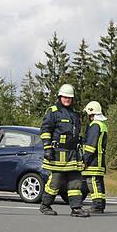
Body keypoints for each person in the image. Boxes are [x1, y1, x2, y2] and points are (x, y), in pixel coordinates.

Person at [40, 83, 89, 217]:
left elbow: (78, 135)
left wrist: (83, 154)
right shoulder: (53, 111)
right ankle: (45, 205)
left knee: (76, 181)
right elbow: (45, 130)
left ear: (73, 99)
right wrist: (47, 148)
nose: (67, 100)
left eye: (69, 98)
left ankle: (76, 208)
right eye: (64, 97)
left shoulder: (75, 114)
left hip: (73, 154)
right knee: (55, 181)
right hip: (57, 153)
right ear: (60, 97)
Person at [81, 101, 108, 214]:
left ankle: (97, 205)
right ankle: (100, 204)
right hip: (100, 159)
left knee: (92, 182)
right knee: (98, 182)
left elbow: (91, 145)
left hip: (93, 160)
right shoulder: (102, 125)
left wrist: (85, 159)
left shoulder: (95, 125)